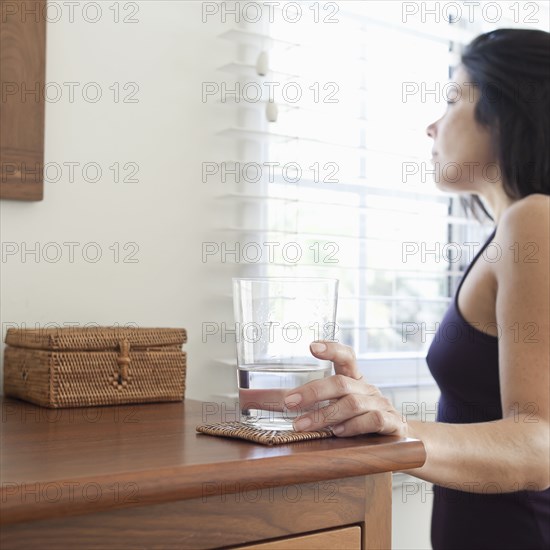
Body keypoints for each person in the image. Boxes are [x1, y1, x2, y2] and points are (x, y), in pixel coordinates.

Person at [283, 29, 549, 550]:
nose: (432, 126)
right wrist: (374, 416)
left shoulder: (534, 221)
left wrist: (397, 428)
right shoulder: (511, 233)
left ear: (505, 111)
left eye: (453, 100)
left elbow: (540, 444)